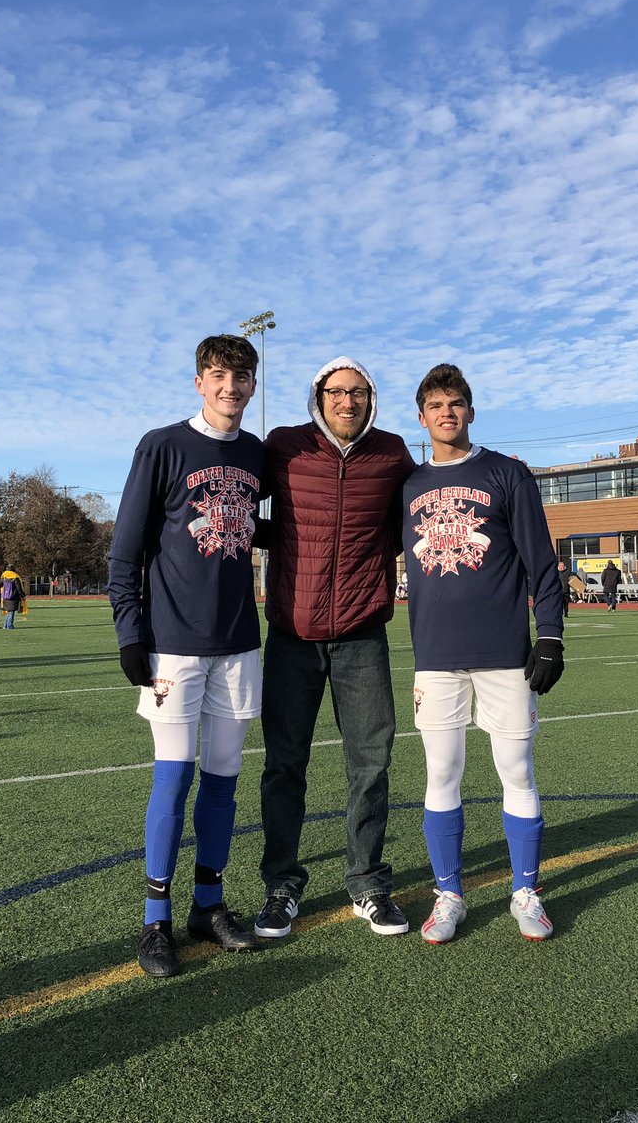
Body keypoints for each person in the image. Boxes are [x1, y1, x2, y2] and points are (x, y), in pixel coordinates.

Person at [108, 334, 264, 977]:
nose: (231, 387)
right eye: (219, 375)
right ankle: (155, 922)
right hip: (174, 644)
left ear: (253, 385)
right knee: (173, 777)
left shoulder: (257, 454)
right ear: (200, 381)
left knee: (225, 780)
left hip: (239, 643)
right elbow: (126, 546)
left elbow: (263, 526)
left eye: (242, 376)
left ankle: (209, 903)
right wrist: (129, 632)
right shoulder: (162, 445)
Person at [402, 364, 564, 945]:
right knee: (441, 772)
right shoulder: (408, 485)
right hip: (436, 655)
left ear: (471, 411)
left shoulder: (508, 474)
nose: (448, 413)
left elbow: (541, 563)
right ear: (421, 417)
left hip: (503, 654)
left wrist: (550, 633)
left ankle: (526, 890)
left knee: (515, 772)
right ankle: (449, 893)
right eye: (437, 405)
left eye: (457, 403)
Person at [256, 356, 415, 939]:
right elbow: (238, 507)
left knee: (371, 764)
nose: (347, 402)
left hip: (362, 636)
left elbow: (420, 516)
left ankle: (368, 883)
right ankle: (281, 886)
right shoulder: (283, 446)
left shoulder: (393, 452)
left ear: (372, 398)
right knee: (284, 765)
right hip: (292, 636)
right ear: (317, 397)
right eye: (337, 392)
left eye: (359, 392)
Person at [0, 564, 26, 628]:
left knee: (8, 611)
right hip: (13, 597)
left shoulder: (3, 576)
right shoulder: (15, 577)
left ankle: (5, 625)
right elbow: (19, 588)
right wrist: (23, 595)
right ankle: (9, 625)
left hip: (5, 596)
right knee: (11, 612)